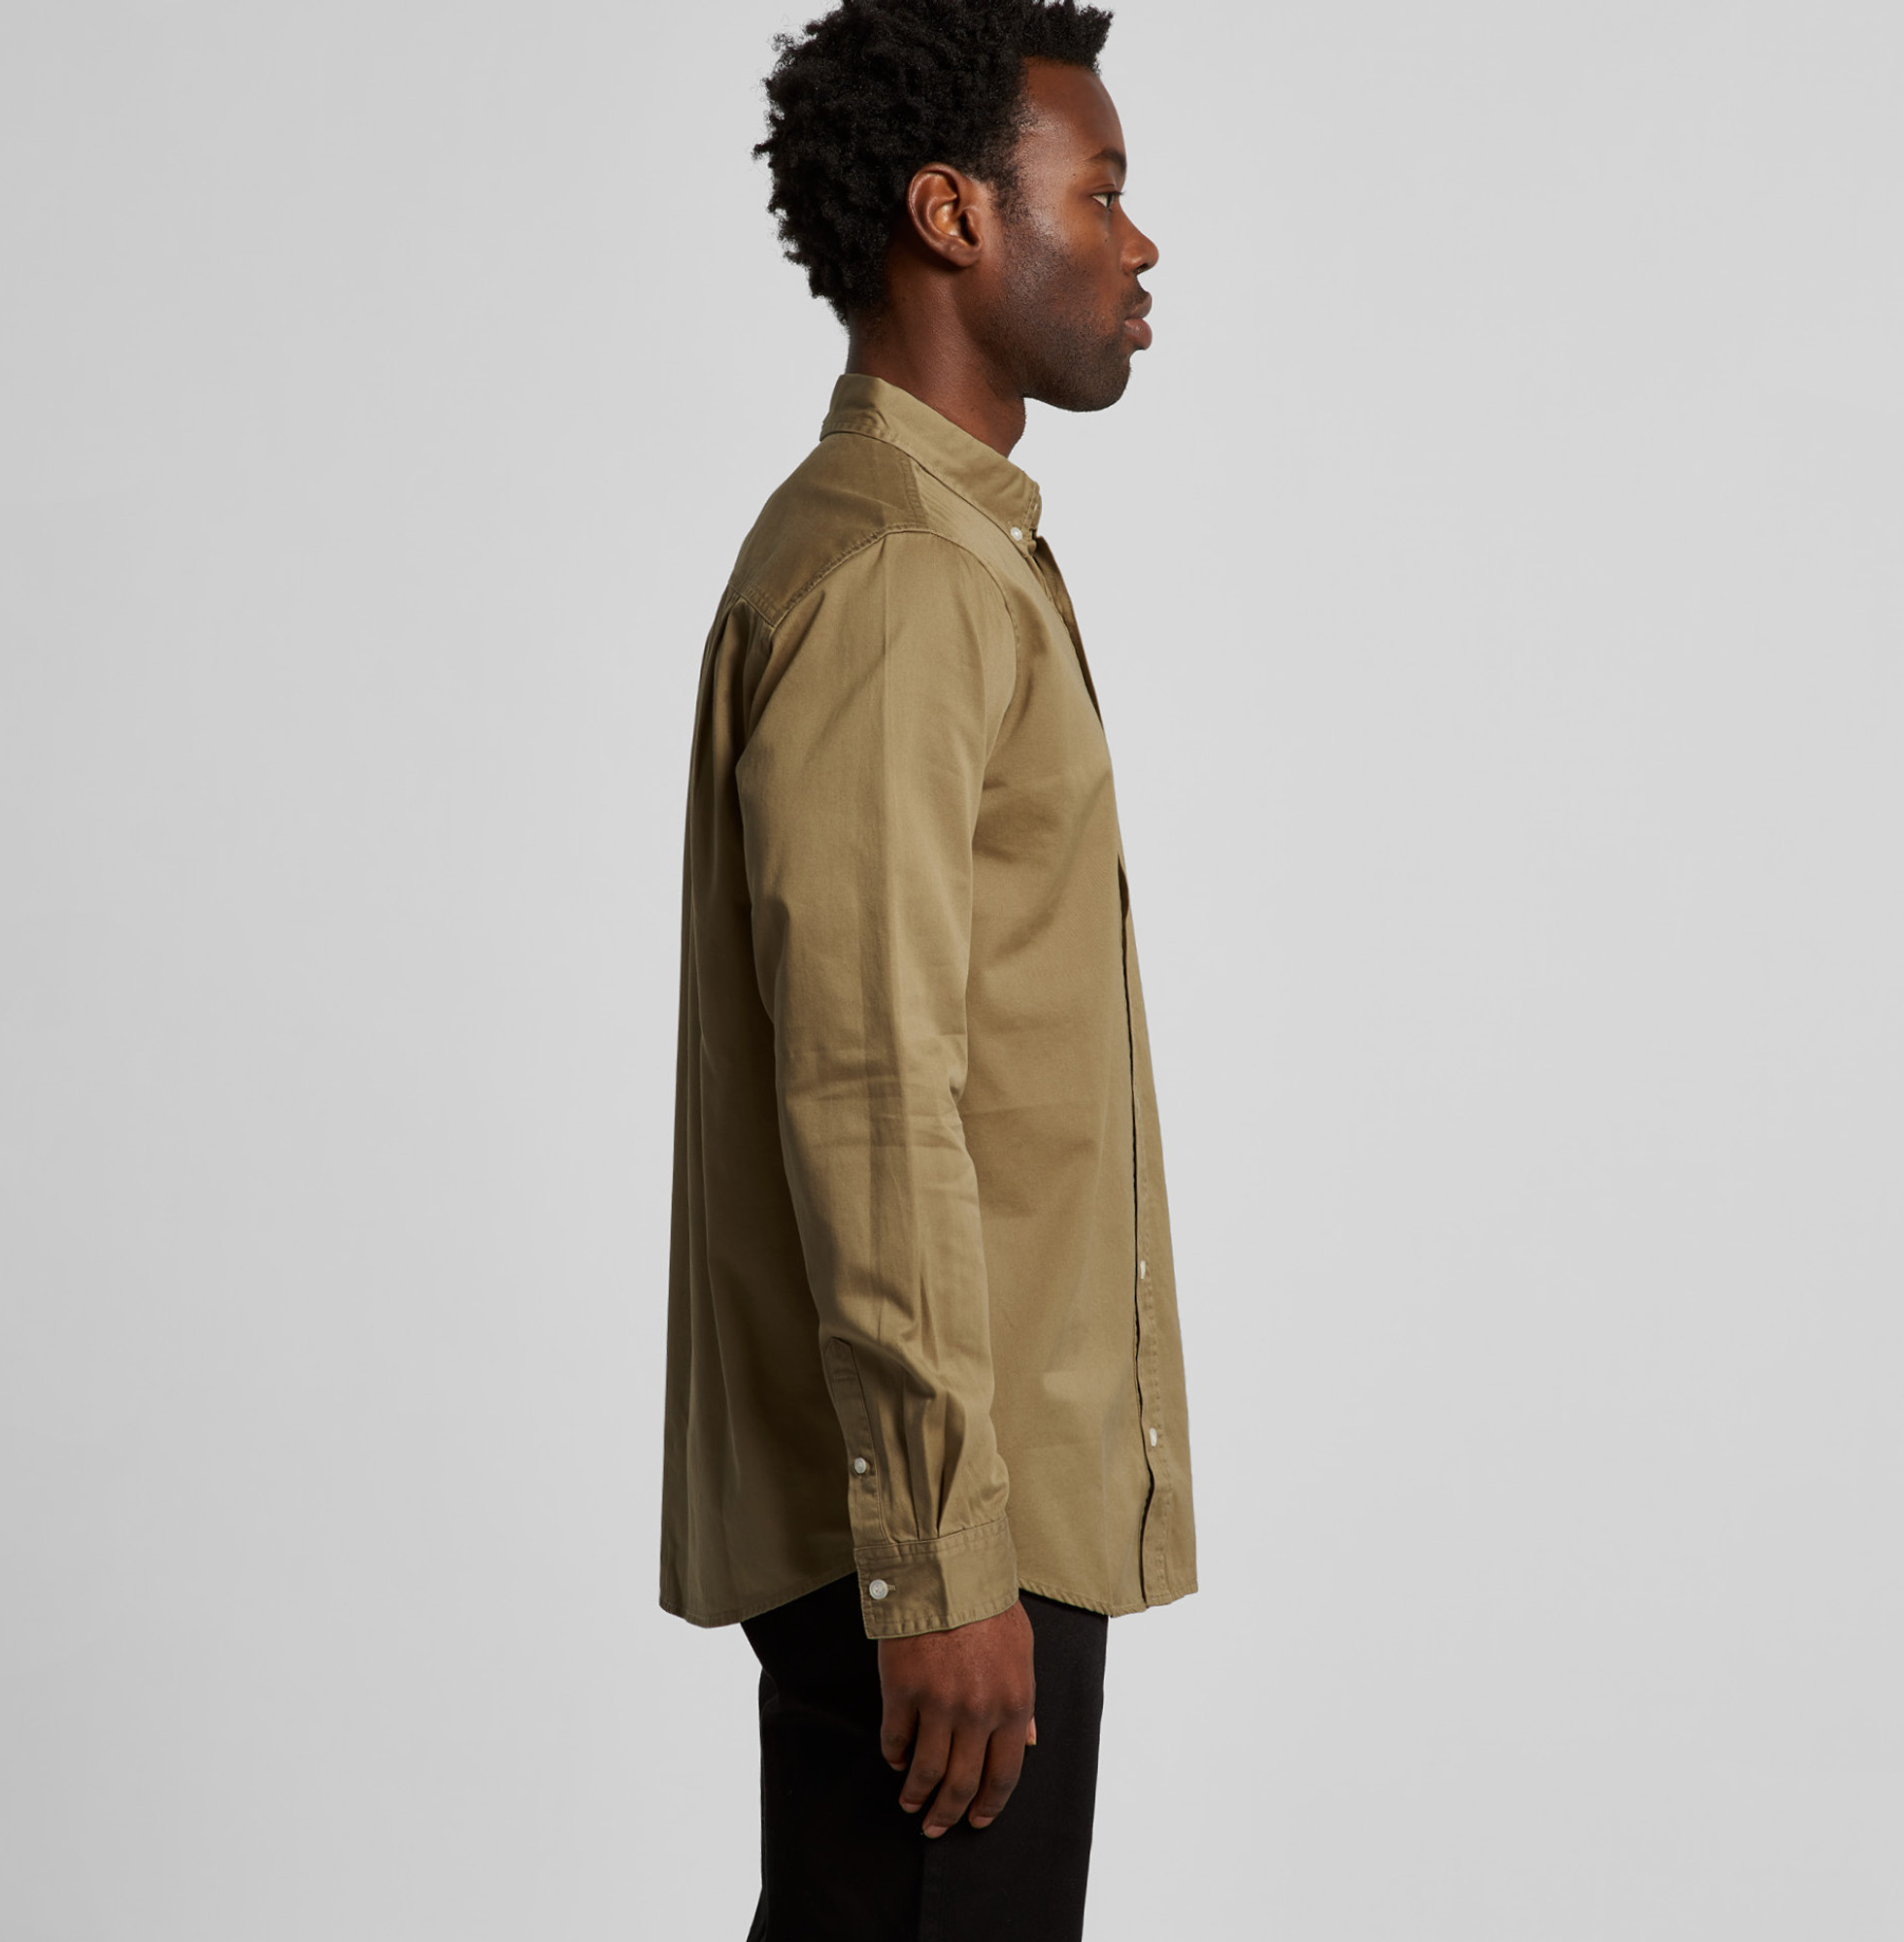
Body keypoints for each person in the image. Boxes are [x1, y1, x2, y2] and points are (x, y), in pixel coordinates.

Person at [659, 2, 1196, 1933]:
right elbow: (871, 1086)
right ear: (954, 215)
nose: (1141, 242)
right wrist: (941, 1557)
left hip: (956, 1518)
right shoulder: (898, 576)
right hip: (941, 1543)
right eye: (1102, 191)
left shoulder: (939, 555)